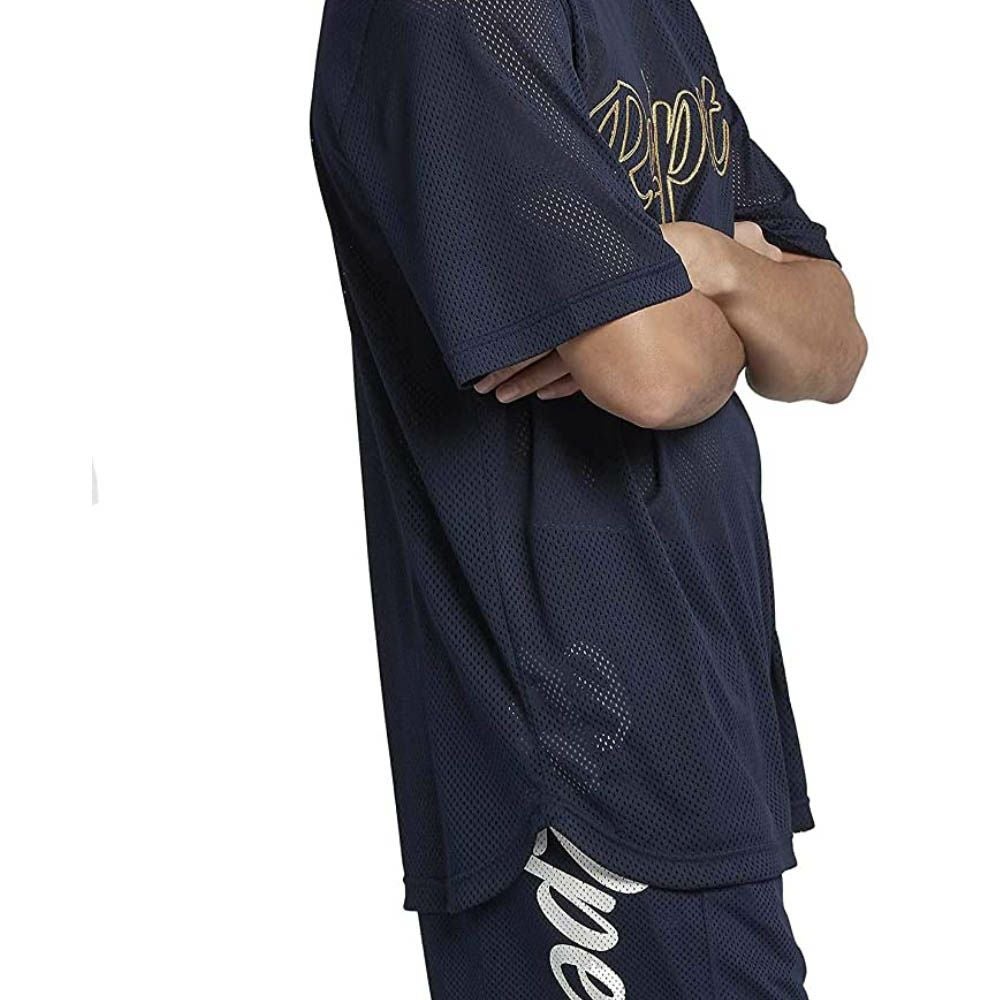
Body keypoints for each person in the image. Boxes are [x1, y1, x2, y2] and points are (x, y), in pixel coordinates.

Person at [310, 0, 866, 995]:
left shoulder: (650, 13)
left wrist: (707, 264)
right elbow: (653, 373)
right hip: (572, 755)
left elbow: (831, 348)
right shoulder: (462, 16)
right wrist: (729, 282)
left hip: (704, 711)